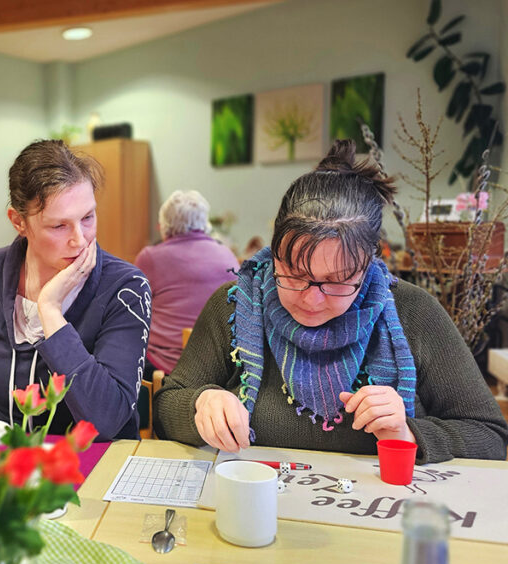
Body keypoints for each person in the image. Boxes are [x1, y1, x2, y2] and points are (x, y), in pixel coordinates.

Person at [154, 140, 508, 463]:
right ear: (273, 251)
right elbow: (167, 406)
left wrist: (407, 435)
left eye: (336, 282)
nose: (310, 299)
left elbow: (490, 436)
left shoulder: (414, 314)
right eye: (292, 274)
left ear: (369, 264)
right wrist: (201, 403)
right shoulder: (237, 304)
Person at [0, 139, 151, 440]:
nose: (79, 240)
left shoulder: (125, 288)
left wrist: (50, 311)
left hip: (91, 466)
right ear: (19, 222)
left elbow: (107, 420)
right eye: (59, 226)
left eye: (88, 218)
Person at [135, 190, 238, 376]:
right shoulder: (227, 255)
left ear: (164, 225)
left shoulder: (150, 257)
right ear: (204, 223)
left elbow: (134, 310)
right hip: (218, 370)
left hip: (164, 366)